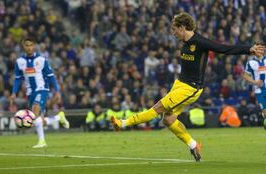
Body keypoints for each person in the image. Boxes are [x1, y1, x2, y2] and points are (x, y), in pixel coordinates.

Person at [111, 12, 265, 162]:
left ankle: (123, 123)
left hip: (191, 88)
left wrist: (249, 49)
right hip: (179, 84)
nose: (173, 33)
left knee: (157, 109)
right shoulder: (185, 42)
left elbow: (224, 48)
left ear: (183, 27)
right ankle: (193, 145)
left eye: (174, 29)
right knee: (168, 120)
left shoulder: (200, 42)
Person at [11, 37, 69, 148]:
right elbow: (17, 78)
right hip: (30, 93)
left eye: (31, 45)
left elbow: (51, 76)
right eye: (26, 45)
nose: (29, 47)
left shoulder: (41, 60)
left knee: (35, 113)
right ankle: (59, 117)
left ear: (34, 46)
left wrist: (57, 91)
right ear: (23, 46)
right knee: (38, 121)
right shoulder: (19, 62)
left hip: (42, 90)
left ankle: (42, 142)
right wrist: (14, 92)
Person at [243, 50, 266, 129]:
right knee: (265, 113)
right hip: (259, 90)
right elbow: (245, 76)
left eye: (261, 48)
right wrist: (255, 82)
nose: (259, 51)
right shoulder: (250, 62)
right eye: (257, 49)